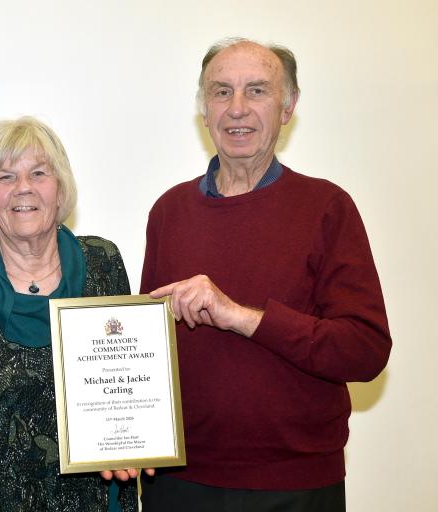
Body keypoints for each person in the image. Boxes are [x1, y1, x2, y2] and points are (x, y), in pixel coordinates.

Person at [138, 38, 392, 511]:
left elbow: (366, 350)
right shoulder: (169, 211)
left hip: (295, 486)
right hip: (177, 483)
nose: (237, 109)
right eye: (220, 92)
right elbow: (144, 354)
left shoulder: (327, 208)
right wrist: (124, 438)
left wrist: (240, 316)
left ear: (287, 107)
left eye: (256, 91)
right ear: (203, 109)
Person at [0, 117, 137, 511]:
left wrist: (134, 439)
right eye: (6, 176)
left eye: (39, 173)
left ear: (60, 190)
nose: (23, 187)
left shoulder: (104, 264)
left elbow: (125, 388)